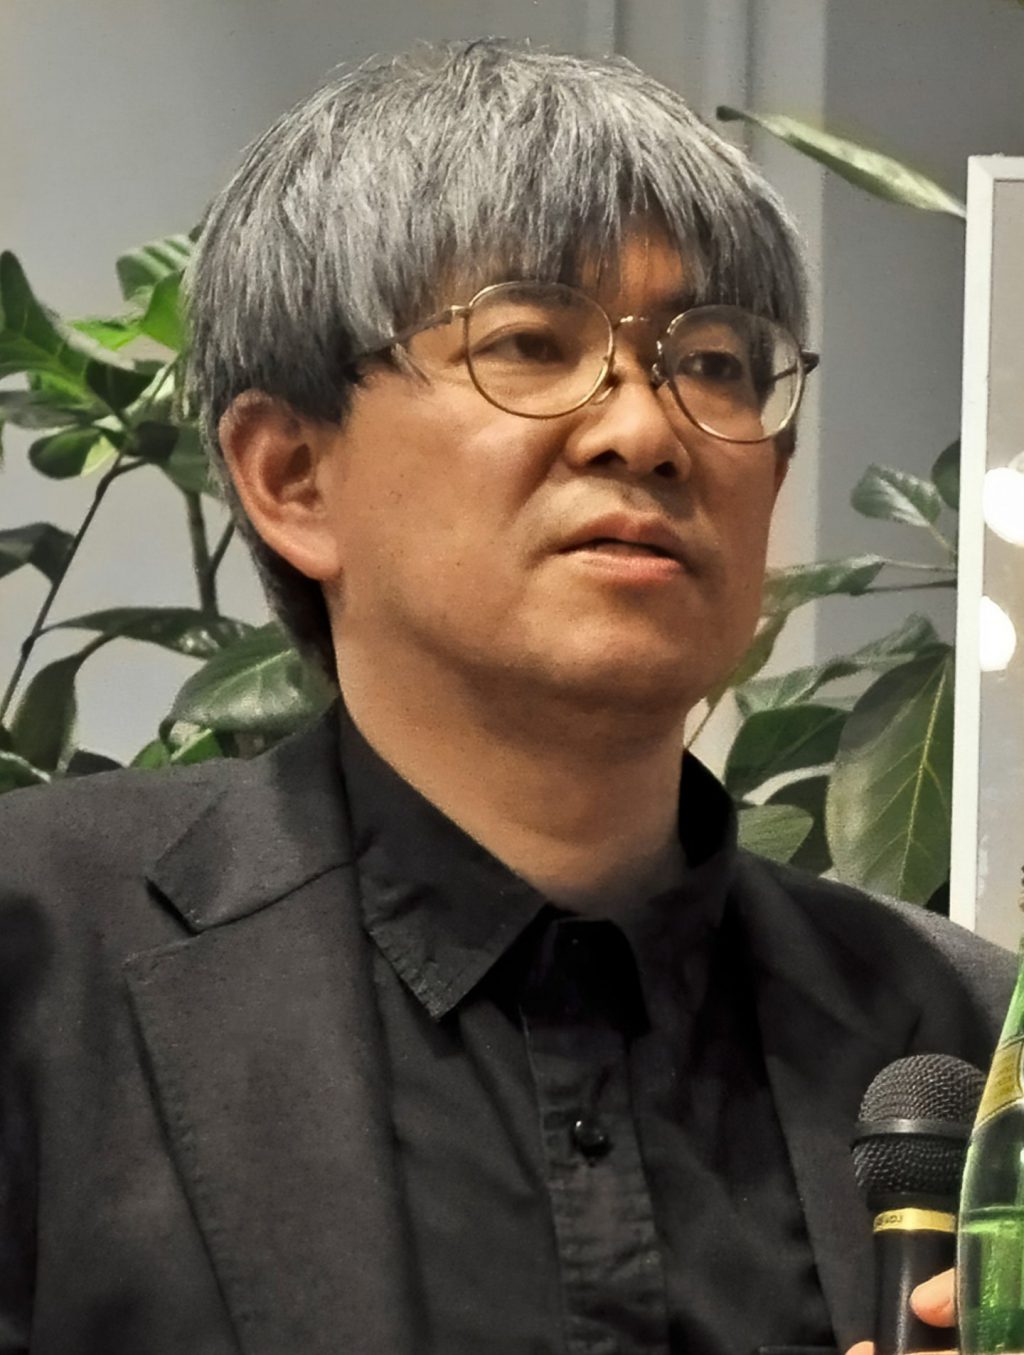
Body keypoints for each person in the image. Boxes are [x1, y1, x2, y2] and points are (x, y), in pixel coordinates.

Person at [0, 38, 1012, 1355]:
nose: (646, 429)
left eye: (715, 361)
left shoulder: (966, 1033)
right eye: (531, 342)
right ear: (291, 475)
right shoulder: (39, 962)